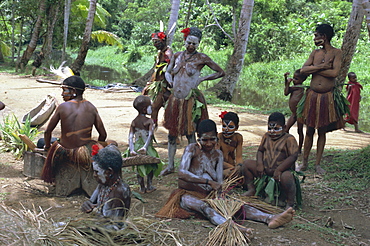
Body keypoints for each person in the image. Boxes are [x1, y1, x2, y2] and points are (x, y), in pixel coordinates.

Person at [156, 119, 295, 230]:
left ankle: (269, 218)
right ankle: (233, 228)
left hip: (210, 195)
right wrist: (208, 183)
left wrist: (220, 191)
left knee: (237, 205)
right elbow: (182, 173)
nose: (209, 143)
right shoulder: (192, 149)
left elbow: (218, 180)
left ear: (216, 137)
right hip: (188, 194)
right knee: (206, 208)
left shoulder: (218, 154)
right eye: (205, 140)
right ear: (198, 138)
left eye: (212, 139)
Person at [161, 27, 225, 176]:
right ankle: (170, 165)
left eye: (194, 44)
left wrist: (202, 78)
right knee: (172, 133)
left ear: (198, 44)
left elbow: (221, 72)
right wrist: (169, 79)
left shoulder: (201, 58)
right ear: (185, 41)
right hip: (175, 100)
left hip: (191, 100)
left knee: (191, 132)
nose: (191, 46)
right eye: (189, 42)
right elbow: (168, 71)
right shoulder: (177, 56)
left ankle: (192, 165)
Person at [41, 75, 108, 196]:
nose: (62, 94)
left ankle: (57, 181)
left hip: (64, 151)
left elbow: (47, 132)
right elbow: (103, 134)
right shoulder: (91, 107)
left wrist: (47, 147)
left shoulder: (62, 107)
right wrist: (97, 148)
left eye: (64, 90)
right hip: (86, 151)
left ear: (74, 91)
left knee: (41, 141)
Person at [296, 24, 344, 175]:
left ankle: (317, 164)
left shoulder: (337, 53)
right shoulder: (315, 53)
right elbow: (303, 70)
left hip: (326, 97)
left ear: (324, 36)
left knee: (321, 131)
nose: (314, 38)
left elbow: (335, 73)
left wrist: (315, 68)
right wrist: (322, 67)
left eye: (317, 35)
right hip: (313, 96)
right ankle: (304, 162)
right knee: (309, 130)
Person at [241, 112, 299, 209]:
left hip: (281, 173)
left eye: (276, 129)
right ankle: (251, 189)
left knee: (287, 177)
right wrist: (260, 164)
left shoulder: (289, 139)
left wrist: (280, 169)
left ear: (284, 128)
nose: (272, 131)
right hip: (265, 171)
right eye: (269, 128)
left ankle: (290, 202)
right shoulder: (266, 136)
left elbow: (293, 156)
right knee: (246, 164)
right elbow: (260, 151)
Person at [81, 145, 131, 219]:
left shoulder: (120, 191)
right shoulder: (103, 185)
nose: (94, 175)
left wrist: (95, 213)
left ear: (109, 172)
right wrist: (87, 205)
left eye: (97, 172)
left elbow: (112, 224)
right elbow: (91, 202)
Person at [125, 95, 163, 193]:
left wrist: (132, 149)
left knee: (139, 167)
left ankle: (142, 187)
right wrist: (145, 147)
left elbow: (130, 137)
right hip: (147, 147)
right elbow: (150, 135)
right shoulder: (149, 121)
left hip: (137, 146)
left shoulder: (134, 122)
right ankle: (149, 185)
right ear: (144, 109)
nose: (152, 107)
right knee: (151, 164)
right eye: (150, 106)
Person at [141, 31, 173, 125]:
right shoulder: (160, 53)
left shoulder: (168, 54)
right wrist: (149, 84)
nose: (155, 44)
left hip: (165, 86)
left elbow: (171, 70)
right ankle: (152, 130)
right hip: (158, 85)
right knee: (151, 107)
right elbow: (156, 71)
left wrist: (168, 86)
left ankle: (154, 130)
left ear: (163, 41)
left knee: (155, 108)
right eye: (154, 42)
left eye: (157, 42)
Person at [284, 70, 307, 153]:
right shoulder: (294, 87)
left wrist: (287, 82)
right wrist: (285, 79)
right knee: (286, 129)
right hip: (294, 114)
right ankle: (287, 145)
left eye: (296, 79)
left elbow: (287, 91)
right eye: (293, 78)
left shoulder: (299, 87)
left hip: (299, 114)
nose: (294, 80)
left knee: (299, 131)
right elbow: (286, 92)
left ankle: (300, 148)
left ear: (302, 80)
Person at [217, 111, 244, 178]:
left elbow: (239, 157)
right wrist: (233, 168)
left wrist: (239, 167)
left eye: (230, 127)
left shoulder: (238, 138)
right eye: (224, 126)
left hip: (231, 167)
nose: (226, 129)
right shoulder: (219, 137)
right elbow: (216, 159)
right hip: (219, 167)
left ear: (236, 127)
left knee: (244, 172)